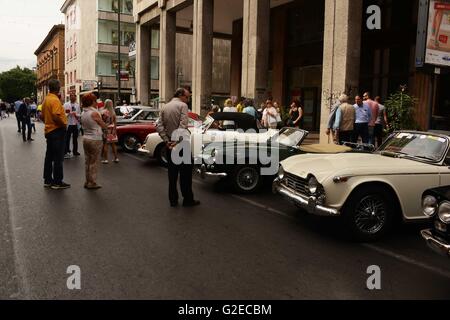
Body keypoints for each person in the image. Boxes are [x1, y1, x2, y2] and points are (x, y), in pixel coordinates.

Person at [157, 88, 200, 208]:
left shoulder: (165, 107)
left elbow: (159, 126)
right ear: (181, 95)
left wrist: (167, 141)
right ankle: (187, 200)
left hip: (170, 143)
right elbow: (183, 124)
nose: (188, 99)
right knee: (185, 174)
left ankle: (173, 200)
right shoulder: (183, 106)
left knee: (172, 174)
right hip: (181, 143)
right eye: (187, 97)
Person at [42, 79, 70, 190]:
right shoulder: (55, 100)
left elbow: (41, 116)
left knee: (49, 156)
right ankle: (57, 181)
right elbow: (55, 116)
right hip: (57, 131)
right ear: (58, 88)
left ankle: (48, 180)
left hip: (49, 131)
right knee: (58, 158)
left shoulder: (46, 99)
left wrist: (48, 123)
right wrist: (63, 125)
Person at [81, 93, 108, 189]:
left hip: (86, 138)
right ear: (91, 102)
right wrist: (106, 123)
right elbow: (103, 125)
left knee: (87, 161)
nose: (96, 102)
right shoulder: (94, 113)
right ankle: (92, 182)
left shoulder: (83, 112)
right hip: (95, 139)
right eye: (95, 100)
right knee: (94, 161)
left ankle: (87, 181)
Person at [101, 99, 119, 164]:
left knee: (105, 144)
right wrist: (115, 129)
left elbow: (102, 122)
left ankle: (106, 159)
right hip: (112, 129)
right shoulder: (113, 112)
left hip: (106, 129)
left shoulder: (104, 112)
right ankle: (116, 158)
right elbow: (115, 122)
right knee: (113, 144)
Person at [64, 94, 81, 159]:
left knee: (75, 138)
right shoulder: (66, 105)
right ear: (70, 97)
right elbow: (63, 113)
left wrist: (76, 114)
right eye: (72, 97)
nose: (73, 98)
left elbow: (79, 114)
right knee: (67, 138)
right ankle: (67, 151)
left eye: (74, 97)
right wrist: (68, 113)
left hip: (75, 124)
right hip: (68, 123)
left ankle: (75, 151)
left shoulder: (77, 105)